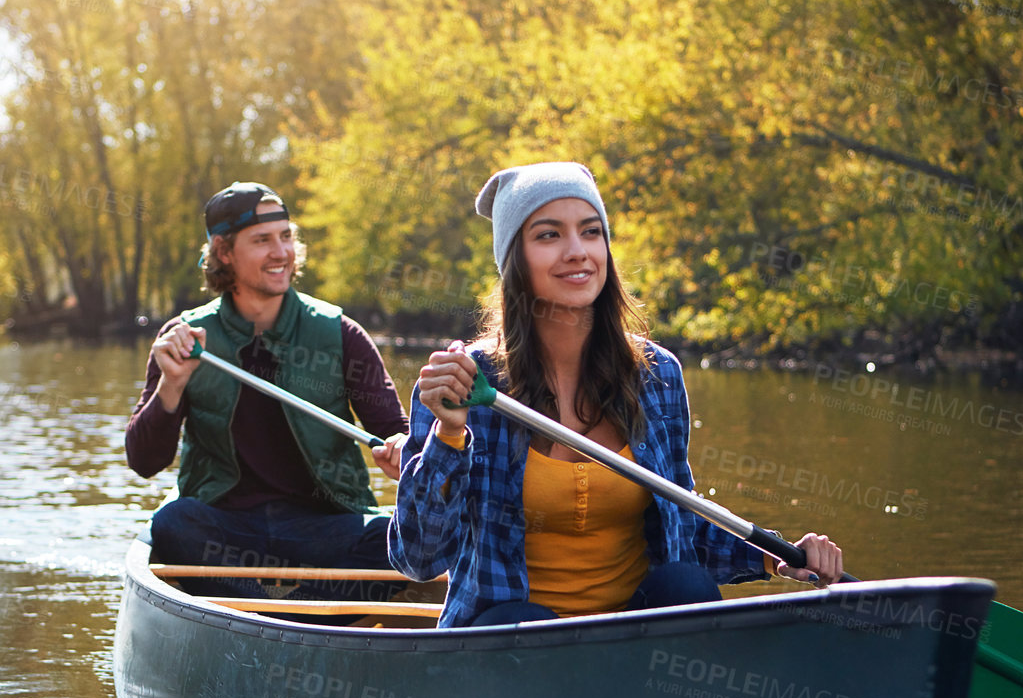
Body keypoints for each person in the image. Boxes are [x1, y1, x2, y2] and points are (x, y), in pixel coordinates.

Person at [390, 161, 842, 627]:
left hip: (627, 635)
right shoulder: (465, 380)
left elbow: (683, 523)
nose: (577, 252)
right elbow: (418, 557)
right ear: (514, 261)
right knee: (520, 619)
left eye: (590, 232)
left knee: (687, 585)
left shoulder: (657, 375)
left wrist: (778, 555)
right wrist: (448, 433)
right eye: (548, 236)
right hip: (513, 637)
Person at [125, 182, 408, 598]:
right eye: (262, 240)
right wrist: (172, 384)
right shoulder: (184, 338)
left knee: (400, 537)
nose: (281, 253)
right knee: (172, 524)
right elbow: (145, 462)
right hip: (225, 529)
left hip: (324, 528)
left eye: (286, 236)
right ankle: (290, 612)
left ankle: (271, 614)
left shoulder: (341, 333)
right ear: (223, 252)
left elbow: (398, 432)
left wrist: (404, 449)